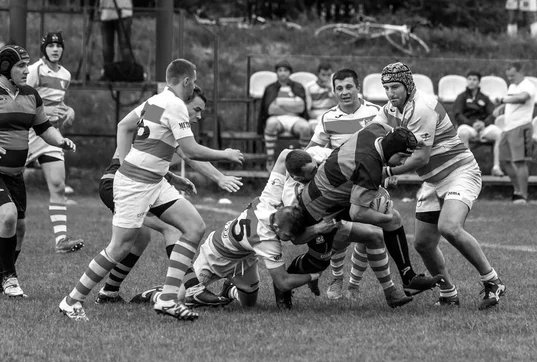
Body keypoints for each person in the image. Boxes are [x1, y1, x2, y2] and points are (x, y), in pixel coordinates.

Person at [58, 58, 244, 321]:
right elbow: (190, 150)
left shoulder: (156, 101)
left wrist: (143, 168)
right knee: (119, 248)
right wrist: (224, 153)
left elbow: (125, 127)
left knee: (193, 226)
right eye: (195, 82)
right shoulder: (176, 105)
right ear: (187, 81)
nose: (195, 87)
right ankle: (71, 301)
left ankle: (167, 299)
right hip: (135, 185)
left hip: (154, 182)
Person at [133, 149, 340, 309]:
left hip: (244, 260)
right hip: (214, 257)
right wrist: (315, 276)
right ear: (276, 226)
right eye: (287, 235)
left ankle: (230, 290)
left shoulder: (269, 198)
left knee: (248, 306)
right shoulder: (266, 239)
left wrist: (310, 161)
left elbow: (286, 155)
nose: (289, 240)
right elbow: (283, 282)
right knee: (182, 298)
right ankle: (152, 294)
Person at [95, 85, 243, 307]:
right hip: (125, 183)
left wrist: (170, 176)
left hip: (125, 181)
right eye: (196, 109)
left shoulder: (157, 108)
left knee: (140, 238)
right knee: (170, 229)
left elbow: (146, 146)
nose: (198, 116)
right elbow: (189, 154)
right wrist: (220, 177)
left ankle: (108, 292)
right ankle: (191, 288)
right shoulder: (172, 111)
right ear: (183, 100)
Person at [375, 61, 506, 310]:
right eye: (386, 88)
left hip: (459, 172)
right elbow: (372, 132)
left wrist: (386, 171)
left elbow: (421, 158)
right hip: (433, 180)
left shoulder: (422, 107)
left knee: (449, 227)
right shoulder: (391, 108)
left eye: (395, 87)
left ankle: (493, 281)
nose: (390, 93)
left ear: (408, 84)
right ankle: (448, 294)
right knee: (423, 243)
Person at [282, 121, 442, 309]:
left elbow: (386, 126)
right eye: (402, 156)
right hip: (316, 212)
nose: (403, 162)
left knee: (391, 221)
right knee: (318, 263)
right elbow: (357, 213)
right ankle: (283, 284)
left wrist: (413, 140)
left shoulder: (375, 131)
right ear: (391, 150)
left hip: (337, 202)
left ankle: (408, 278)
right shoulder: (369, 166)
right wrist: (386, 217)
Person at [305, 67, 423, 301]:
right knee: (341, 237)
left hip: (372, 181)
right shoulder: (328, 117)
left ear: (358, 88)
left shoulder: (374, 112)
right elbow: (311, 150)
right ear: (334, 91)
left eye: (349, 87)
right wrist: (333, 160)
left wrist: (390, 169)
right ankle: (337, 278)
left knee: (371, 234)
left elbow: (392, 143)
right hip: (343, 184)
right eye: (339, 88)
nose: (344, 92)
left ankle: (354, 284)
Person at [0, 45, 77, 297]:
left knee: (20, 229)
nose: (26, 70)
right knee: (8, 216)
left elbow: (44, 127)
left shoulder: (31, 95)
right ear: (5, 68)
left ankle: (3, 273)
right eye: (20, 65)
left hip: (15, 175)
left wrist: (60, 140)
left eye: (26, 65)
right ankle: (10, 278)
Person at [25, 31, 84, 253]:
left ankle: (61, 241)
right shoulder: (33, 71)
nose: (55, 49)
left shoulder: (66, 75)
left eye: (59, 45)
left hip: (50, 135)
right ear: (44, 49)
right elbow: (22, 100)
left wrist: (69, 111)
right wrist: (46, 111)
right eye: (51, 46)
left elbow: (58, 103)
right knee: (9, 184)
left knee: (58, 185)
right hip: (28, 132)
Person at [493, 62, 536, 204]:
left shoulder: (528, 85)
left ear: (520, 72)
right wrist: (502, 106)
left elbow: (521, 98)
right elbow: (511, 99)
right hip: (508, 127)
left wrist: (503, 100)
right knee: (504, 161)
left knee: (519, 162)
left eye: (512, 75)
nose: (510, 78)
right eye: (508, 76)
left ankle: (524, 195)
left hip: (522, 126)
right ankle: (517, 190)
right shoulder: (512, 86)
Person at [257, 60, 311, 171]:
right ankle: (270, 158)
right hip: (277, 119)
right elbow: (270, 110)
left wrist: (280, 104)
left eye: (285, 70)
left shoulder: (298, 87)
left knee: (305, 127)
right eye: (280, 70)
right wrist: (292, 105)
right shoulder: (270, 88)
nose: (283, 73)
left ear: (290, 72)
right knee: (271, 123)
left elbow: (301, 107)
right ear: (276, 72)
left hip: (295, 118)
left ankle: (304, 159)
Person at [453, 70, 504, 177]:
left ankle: (496, 167)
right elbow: (458, 114)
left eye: (474, 79)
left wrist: (484, 123)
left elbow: (493, 114)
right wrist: (472, 123)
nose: (471, 82)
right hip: (468, 127)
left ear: (479, 82)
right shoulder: (461, 97)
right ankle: (467, 169)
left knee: (499, 133)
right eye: (469, 79)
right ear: (467, 81)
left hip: (483, 127)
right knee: (462, 132)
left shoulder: (484, 98)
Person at [99, 0, 133, 77]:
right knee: (108, 46)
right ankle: (108, 72)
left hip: (122, 10)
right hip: (107, 11)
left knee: (123, 46)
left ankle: (128, 72)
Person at [305, 62, 336, 130]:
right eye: (323, 75)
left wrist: (330, 89)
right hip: (316, 114)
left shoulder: (335, 86)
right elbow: (309, 109)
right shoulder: (310, 86)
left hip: (332, 113)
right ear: (318, 74)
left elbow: (339, 103)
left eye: (329, 75)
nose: (326, 77)